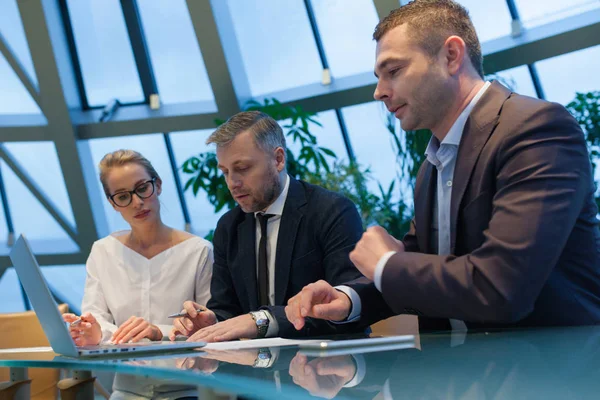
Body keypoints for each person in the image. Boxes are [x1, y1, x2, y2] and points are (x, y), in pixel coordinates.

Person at [285, 0, 600, 333]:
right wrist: (350, 299)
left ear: (451, 56)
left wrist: (388, 264)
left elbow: (502, 288)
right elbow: (424, 269)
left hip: (551, 378)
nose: (379, 92)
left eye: (393, 71)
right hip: (463, 376)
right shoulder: (432, 166)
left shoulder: (536, 129)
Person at [169, 110, 364, 342]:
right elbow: (227, 309)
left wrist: (263, 320)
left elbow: (340, 307)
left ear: (278, 159)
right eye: (225, 172)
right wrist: (211, 322)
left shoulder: (332, 211)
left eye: (242, 168)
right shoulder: (229, 227)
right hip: (258, 369)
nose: (232, 183)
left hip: (328, 364)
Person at [63, 150, 213, 345]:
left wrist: (159, 331)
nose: (137, 202)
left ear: (157, 185)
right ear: (113, 204)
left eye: (142, 188)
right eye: (123, 197)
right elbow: (95, 316)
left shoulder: (198, 251)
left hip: (187, 369)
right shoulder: (103, 252)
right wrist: (92, 330)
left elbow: (211, 326)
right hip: (124, 370)